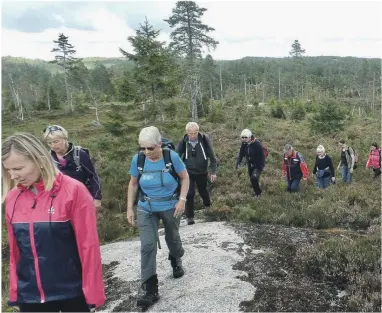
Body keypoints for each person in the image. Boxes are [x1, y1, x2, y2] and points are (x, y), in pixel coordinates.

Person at [2, 133, 105, 312]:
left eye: (18, 168)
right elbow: (16, 253)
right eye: (8, 170)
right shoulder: (12, 198)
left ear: (39, 159)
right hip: (31, 296)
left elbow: (89, 246)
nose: (13, 176)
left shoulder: (74, 191)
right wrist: (16, 293)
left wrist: (93, 293)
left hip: (72, 293)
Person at [126, 126, 189, 308]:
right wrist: (130, 208)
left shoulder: (171, 157)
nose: (146, 152)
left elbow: (185, 178)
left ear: (159, 144)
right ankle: (150, 289)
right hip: (146, 207)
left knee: (173, 238)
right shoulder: (138, 160)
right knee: (147, 245)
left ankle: (176, 258)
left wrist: (182, 200)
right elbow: (133, 184)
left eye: (150, 148)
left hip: (170, 205)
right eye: (142, 148)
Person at [42, 125, 102, 211]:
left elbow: (93, 176)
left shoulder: (79, 154)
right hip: (61, 202)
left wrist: (97, 198)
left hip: (83, 197)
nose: (53, 146)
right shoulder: (49, 158)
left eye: (56, 141)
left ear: (64, 138)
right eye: (49, 143)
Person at [176, 122, 218, 225]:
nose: (193, 135)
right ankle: (190, 216)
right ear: (187, 132)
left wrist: (213, 172)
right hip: (188, 172)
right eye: (190, 133)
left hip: (202, 171)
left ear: (198, 132)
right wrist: (176, 172)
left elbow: (212, 156)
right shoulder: (183, 141)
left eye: (195, 133)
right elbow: (176, 157)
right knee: (189, 193)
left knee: (203, 190)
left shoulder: (204, 139)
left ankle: (208, 206)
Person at [236, 129, 265, 197]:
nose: (244, 139)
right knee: (252, 179)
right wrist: (238, 163)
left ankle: (259, 193)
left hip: (258, 165)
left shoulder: (257, 144)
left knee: (254, 178)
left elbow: (262, 156)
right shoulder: (244, 144)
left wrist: (261, 167)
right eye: (242, 137)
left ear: (249, 137)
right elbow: (241, 154)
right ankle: (256, 191)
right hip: (250, 165)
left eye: (245, 137)